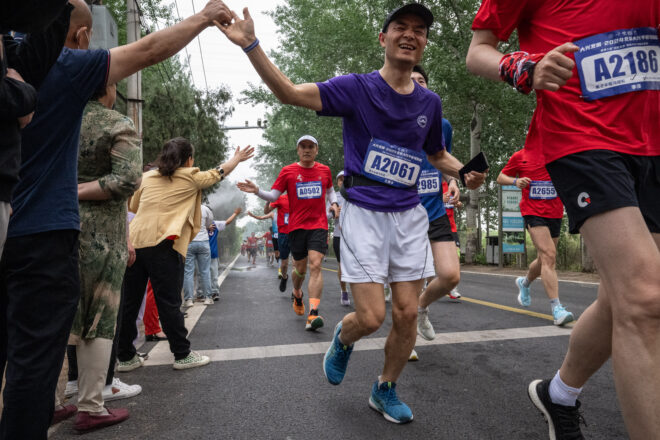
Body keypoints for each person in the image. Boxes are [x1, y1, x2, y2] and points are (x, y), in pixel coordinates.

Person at [219, 3, 485, 423]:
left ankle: (385, 388)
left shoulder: (429, 103)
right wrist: (251, 44)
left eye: (419, 30)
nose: (410, 35)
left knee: (407, 311)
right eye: (400, 27)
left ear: (424, 44)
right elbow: (289, 92)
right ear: (384, 39)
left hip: (409, 214)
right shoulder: (356, 89)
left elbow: (436, 153)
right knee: (371, 316)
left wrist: (465, 172)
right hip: (363, 213)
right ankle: (344, 338)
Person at [0, 1, 232, 437]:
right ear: (82, 36)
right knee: (46, 350)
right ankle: (88, 401)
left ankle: (70, 397)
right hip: (47, 233)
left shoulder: (11, 66)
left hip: (12, 222)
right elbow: (147, 50)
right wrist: (203, 18)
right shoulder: (68, 70)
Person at [466, 1, 660, 438]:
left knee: (623, 298)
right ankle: (550, 302)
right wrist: (523, 67)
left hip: (649, 141)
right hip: (580, 136)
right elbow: (478, 50)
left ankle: (560, 393)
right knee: (646, 295)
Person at [117, 139, 253, 373]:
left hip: (136, 244)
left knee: (129, 302)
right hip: (164, 244)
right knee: (169, 302)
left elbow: (134, 207)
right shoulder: (191, 177)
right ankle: (182, 354)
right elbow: (219, 172)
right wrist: (237, 159)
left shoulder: (147, 178)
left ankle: (126, 357)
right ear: (189, 159)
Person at [65, 82, 142, 432]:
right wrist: (76, 191)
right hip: (99, 234)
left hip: (53, 227)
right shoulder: (116, 123)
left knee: (60, 315)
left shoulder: (56, 118)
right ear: (108, 88)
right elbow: (126, 180)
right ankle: (91, 406)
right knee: (100, 314)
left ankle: (50, 402)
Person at [237, 135, 338, 331]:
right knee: (300, 269)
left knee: (315, 264)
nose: (307, 150)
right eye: (303, 147)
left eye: (311, 147)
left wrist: (334, 203)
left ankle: (313, 313)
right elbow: (273, 195)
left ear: (316, 150)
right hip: (296, 227)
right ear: (298, 150)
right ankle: (297, 292)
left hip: (318, 225)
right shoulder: (288, 171)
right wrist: (257, 191)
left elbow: (330, 191)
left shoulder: (324, 170)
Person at [409, 65, 462, 348]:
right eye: (412, 81)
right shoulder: (394, 123)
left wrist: (454, 181)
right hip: (404, 213)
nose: (418, 85)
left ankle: (421, 307)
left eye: (422, 81)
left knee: (450, 276)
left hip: (436, 211)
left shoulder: (442, 125)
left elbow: (443, 159)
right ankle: (405, 342)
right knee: (411, 279)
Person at [497, 148, 574, 326]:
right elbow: (500, 178)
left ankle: (524, 283)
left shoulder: (559, 152)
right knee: (549, 256)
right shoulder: (520, 155)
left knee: (543, 259)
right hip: (532, 211)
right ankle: (557, 309)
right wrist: (515, 181)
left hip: (554, 212)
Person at [183, 204, 216, 306]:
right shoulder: (205, 208)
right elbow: (209, 223)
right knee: (205, 271)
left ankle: (188, 300)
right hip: (203, 242)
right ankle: (208, 298)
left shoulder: (185, 206)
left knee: (188, 272)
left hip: (189, 242)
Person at [208, 207, 241, 300]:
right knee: (213, 273)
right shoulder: (214, 224)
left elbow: (227, 222)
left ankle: (202, 293)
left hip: (202, 254)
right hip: (212, 253)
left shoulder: (198, 224)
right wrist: (235, 214)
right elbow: (227, 222)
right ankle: (214, 292)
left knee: (202, 273)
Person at [331, 171, 350, 306]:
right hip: (339, 235)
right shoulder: (334, 198)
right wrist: (335, 212)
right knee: (341, 265)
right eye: (340, 180)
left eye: (345, 179)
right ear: (337, 183)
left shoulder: (357, 195)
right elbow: (326, 214)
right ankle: (344, 291)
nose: (342, 181)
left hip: (356, 236)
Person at [442, 180, 462, 300]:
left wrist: (458, 204)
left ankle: (452, 287)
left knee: (456, 256)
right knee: (434, 259)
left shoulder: (452, 184)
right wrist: (439, 199)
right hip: (436, 225)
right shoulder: (433, 179)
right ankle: (428, 281)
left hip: (451, 227)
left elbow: (455, 203)